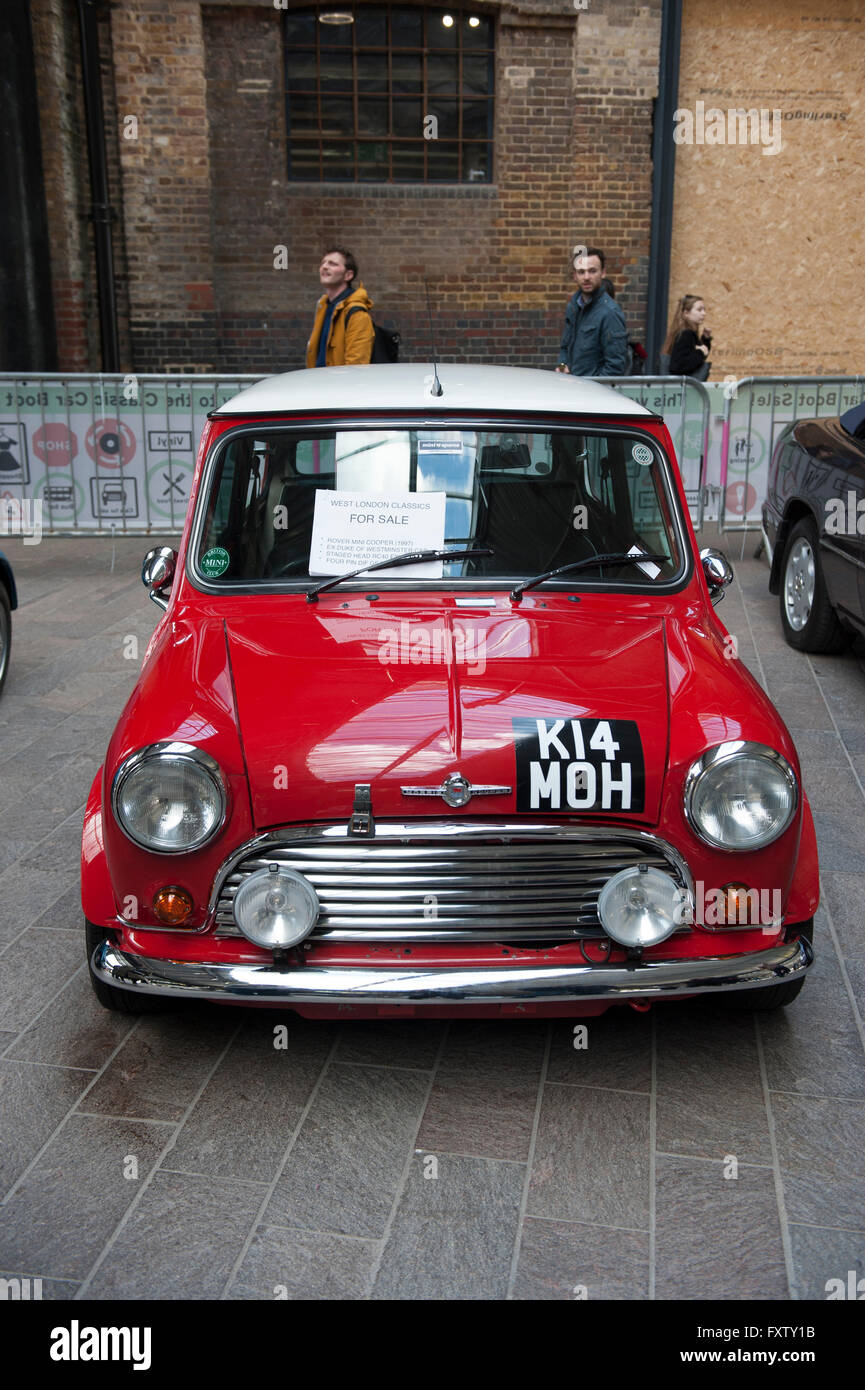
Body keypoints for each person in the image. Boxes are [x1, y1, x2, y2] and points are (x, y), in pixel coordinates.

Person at [556, 246, 629, 377]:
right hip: (570, 387)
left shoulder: (610, 313)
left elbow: (615, 367)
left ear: (603, 273)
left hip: (592, 393)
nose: (587, 277)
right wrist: (562, 367)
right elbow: (565, 348)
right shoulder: (573, 307)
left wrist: (593, 391)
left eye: (592, 271)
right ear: (575, 275)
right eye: (581, 272)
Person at [306, 247, 375, 367]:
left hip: (338, 385)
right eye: (323, 263)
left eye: (333, 264)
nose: (325, 267)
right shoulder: (323, 306)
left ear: (348, 275)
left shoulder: (357, 314)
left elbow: (356, 366)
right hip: (318, 382)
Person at [664, 295, 713, 379]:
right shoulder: (686, 334)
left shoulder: (687, 333)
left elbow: (696, 358)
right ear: (686, 313)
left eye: (704, 309)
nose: (704, 313)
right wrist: (700, 352)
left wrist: (705, 339)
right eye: (699, 310)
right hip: (683, 389)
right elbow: (678, 365)